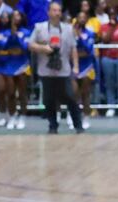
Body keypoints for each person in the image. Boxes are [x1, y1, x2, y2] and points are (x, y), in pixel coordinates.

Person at [31, 1, 85, 132]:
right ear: (48, 12)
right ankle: (53, 125)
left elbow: (73, 49)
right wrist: (43, 48)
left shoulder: (68, 28)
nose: (57, 13)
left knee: (70, 97)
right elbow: (30, 44)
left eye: (59, 11)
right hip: (46, 69)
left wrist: (76, 66)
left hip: (64, 69)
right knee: (49, 100)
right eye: (54, 10)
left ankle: (78, 125)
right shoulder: (39, 27)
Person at [0, 10, 32, 128]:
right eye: (13, 16)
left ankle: (22, 117)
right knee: (10, 93)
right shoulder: (5, 32)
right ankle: (12, 116)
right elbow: (5, 46)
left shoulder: (27, 32)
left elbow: (25, 47)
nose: (16, 18)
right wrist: (9, 36)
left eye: (18, 15)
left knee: (22, 93)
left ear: (21, 18)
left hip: (23, 64)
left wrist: (16, 36)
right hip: (10, 64)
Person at [72, 11, 97, 119]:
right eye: (80, 17)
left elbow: (88, 50)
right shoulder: (70, 33)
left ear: (86, 20)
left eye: (84, 17)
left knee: (85, 94)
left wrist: (80, 38)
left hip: (87, 66)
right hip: (74, 66)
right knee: (74, 93)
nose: (82, 19)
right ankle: (73, 115)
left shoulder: (90, 33)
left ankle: (86, 116)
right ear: (76, 19)